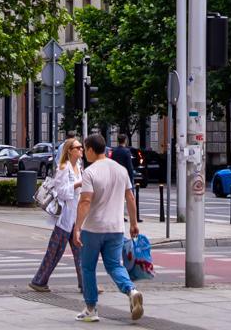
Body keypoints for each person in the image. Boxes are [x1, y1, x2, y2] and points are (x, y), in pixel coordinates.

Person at [72, 133, 141, 323]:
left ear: (91, 150)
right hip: (116, 228)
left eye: (85, 149)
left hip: (93, 228)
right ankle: (131, 290)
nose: (84, 153)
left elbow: (85, 201)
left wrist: (77, 228)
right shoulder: (121, 170)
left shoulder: (90, 172)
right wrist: (133, 223)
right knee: (114, 265)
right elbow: (130, 198)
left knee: (88, 268)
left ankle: (91, 309)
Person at [29, 137, 84, 294]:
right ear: (70, 151)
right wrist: (77, 184)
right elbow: (61, 192)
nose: (81, 149)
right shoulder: (63, 168)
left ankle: (86, 283)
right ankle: (38, 281)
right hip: (64, 217)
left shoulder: (79, 166)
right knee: (55, 252)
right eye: (78, 147)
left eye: (81, 147)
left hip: (76, 216)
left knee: (81, 252)